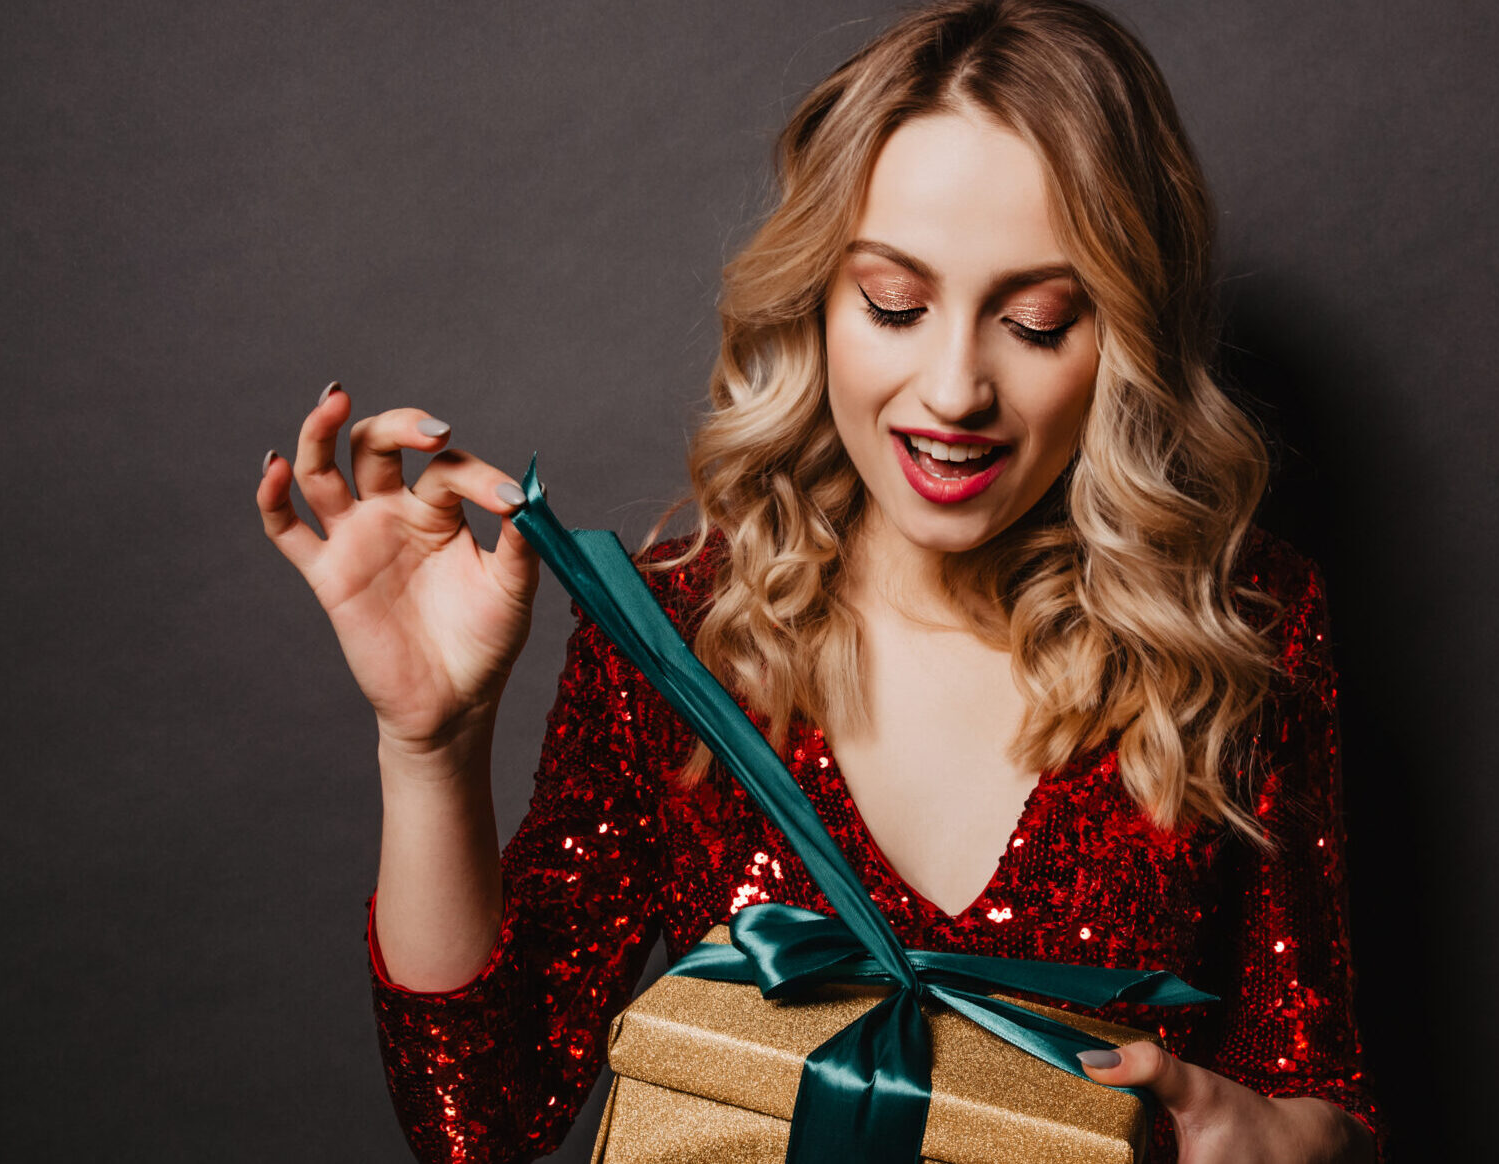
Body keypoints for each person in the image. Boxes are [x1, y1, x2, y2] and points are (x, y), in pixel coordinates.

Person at [255, 2, 1379, 1160]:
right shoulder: (681, 632)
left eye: (1038, 323)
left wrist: (1272, 1140)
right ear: (820, 301)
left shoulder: (1238, 629)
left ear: (1126, 338)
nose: (953, 388)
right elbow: (480, 1116)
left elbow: (1325, 1099)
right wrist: (430, 744)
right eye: (895, 303)